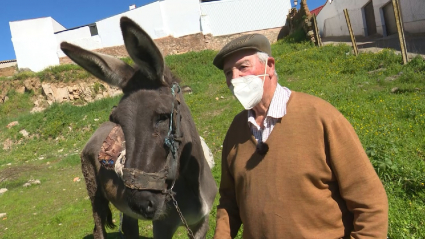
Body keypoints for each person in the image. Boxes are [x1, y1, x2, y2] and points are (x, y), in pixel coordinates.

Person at [212, 34, 388, 238]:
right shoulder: (236, 130)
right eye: (228, 73)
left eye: (243, 67)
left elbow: (370, 201)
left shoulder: (320, 116)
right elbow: (229, 202)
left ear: (269, 66)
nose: (234, 78)